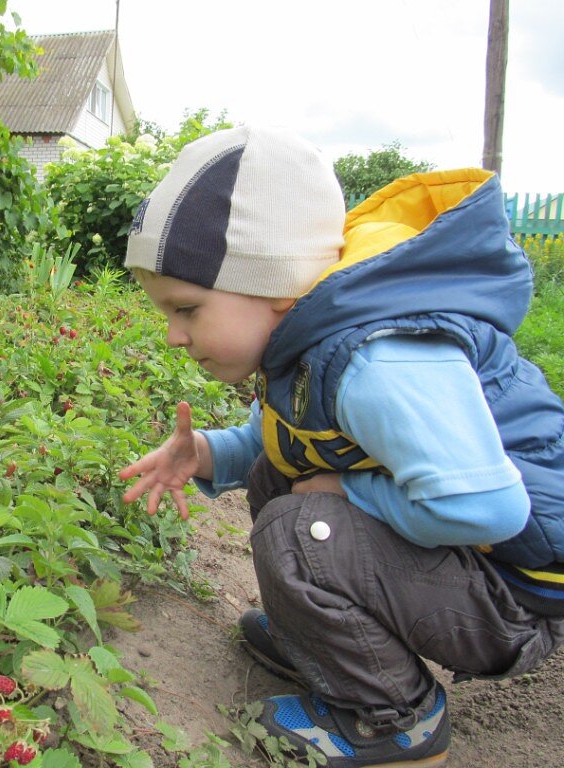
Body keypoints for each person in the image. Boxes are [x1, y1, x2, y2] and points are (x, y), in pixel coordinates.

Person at [117, 124, 564, 767]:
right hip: (478, 558)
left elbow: (491, 510)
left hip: (515, 589)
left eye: (187, 309)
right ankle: (331, 642)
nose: (173, 336)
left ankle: (396, 721)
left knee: (303, 530)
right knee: (285, 478)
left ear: (272, 285)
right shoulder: (313, 332)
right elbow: (292, 443)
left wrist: (351, 491)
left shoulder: (378, 362)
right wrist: (207, 454)